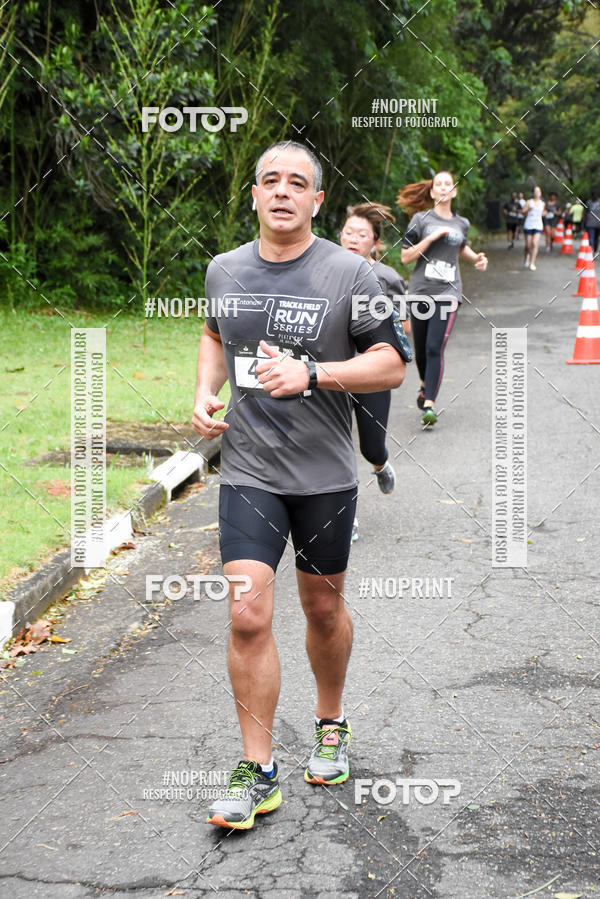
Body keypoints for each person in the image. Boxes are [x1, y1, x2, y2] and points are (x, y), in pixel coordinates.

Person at [192, 140, 408, 830]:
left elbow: (391, 364)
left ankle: (331, 719)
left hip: (323, 475)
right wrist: (204, 391)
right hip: (250, 468)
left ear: (316, 201)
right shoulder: (224, 270)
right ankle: (257, 770)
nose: (281, 191)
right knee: (248, 612)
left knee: (321, 609)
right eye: (269, 181)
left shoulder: (350, 273)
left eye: (297, 183)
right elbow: (213, 333)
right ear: (253, 195)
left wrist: (316, 375)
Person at [398, 170, 488, 427]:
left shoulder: (462, 223)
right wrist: (432, 237)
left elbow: (461, 247)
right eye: (439, 184)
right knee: (422, 349)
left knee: (435, 347)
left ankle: (429, 405)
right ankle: (425, 384)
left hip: (448, 293)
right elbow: (405, 257)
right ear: (433, 192)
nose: (444, 187)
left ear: (454, 191)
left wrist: (477, 258)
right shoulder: (420, 219)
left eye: (449, 183)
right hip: (420, 291)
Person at [339, 202, 408, 504]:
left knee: (370, 446)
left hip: (370, 373)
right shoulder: (324, 273)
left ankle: (380, 464)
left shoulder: (388, 278)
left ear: (376, 242)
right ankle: (342, 514)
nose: (353, 239)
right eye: (348, 233)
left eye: (362, 235)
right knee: (335, 447)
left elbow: (403, 325)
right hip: (330, 370)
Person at [522, 186, 546, 271]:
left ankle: (532, 263)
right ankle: (526, 257)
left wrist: (545, 213)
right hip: (528, 225)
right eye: (535, 191)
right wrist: (528, 209)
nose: (537, 193)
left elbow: (543, 212)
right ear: (533, 193)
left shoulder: (542, 203)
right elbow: (523, 212)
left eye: (538, 191)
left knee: (535, 243)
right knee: (528, 245)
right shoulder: (529, 202)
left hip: (538, 225)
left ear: (540, 193)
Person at [584, 191, 600, 256]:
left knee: (592, 238)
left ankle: (592, 251)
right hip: (593, 223)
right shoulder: (589, 202)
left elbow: (584, 213)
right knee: (595, 238)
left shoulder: (588, 202)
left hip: (592, 223)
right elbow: (585, 213)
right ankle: (594, 251)